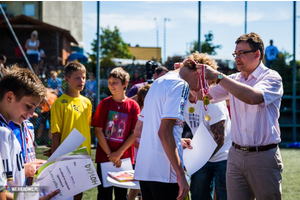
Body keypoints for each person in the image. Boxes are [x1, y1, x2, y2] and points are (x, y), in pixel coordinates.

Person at [199, 32, 283, 200]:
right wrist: (189, 71)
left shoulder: (272, 77)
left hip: (263, 156)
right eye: (235, 54)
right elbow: (204, 97)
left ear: (257, 54)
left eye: (242, 53)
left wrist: (218, 76)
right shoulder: (234, 79)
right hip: (235, 155)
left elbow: (253, 97)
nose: (237, 57)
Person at [133, 59, 200, 200]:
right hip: (165, 172)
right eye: (205, 81)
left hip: (146, 170)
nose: (200, 89)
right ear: (198, 72)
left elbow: (138, 131)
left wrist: (177, 140)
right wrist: (181, 175)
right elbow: (164, 132)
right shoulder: (181, 84)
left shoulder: (157, 83)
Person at [0, 66, 59, 199]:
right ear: (9, 97)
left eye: (35, 108)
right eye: (28, 106)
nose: (32, 114)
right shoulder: (2, 132)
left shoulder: (8, 128)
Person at [182, 52, 231, 200]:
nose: (204, 86)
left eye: (206, 81)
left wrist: (193, 160)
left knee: (224, 196)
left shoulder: (213, 103)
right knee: (198, 196)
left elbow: (219, 139)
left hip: (223, 157)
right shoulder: (182, 100)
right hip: (201, 156)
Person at [91, 67, 140, 200]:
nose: (111, 85)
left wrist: (118, 154)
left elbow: (134, 133)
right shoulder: (104, 103)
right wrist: (110, 154)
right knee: (104, 194)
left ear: (125, 84)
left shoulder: (133, 106)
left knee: (121, 195)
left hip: (124, 159)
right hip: (104, 158)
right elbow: (98, 130)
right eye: (110, 82)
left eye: (115, 82)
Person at [48, 61, 92, 200]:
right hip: (66, 155)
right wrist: (54, 158)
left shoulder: (87, 103)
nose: (82, 81)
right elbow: (56, 133)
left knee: (79, 192)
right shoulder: (59, 103)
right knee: (63, 193)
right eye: (77, 77)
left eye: (83, 77)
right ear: (67, 79)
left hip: (84, 154)